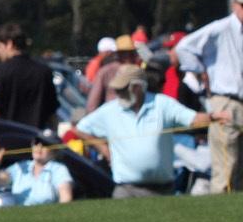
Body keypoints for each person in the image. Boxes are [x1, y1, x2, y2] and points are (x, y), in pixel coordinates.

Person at [68, 68, 213, 197]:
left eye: (122, 89)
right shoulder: (110, 109)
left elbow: (193, 119)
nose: (117, 93)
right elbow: (80, 128)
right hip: (126, 190)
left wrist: (214, 117)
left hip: (162, 190)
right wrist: (104, 149)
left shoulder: (162, 103)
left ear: (136, 87)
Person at [174, 0, 243, 193]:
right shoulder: (220, 28)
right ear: (234, 4)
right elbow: (184, 47)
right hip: (227, 101)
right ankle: (222, 210)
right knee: (226, 165)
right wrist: (202, 70)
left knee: (239, 167)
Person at [0, 23, 58, 132]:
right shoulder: (44, 71)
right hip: (37, 140)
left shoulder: (0, 72)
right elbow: (52, 114)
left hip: (9, 140)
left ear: (9, 43)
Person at [0, 138, 75, 205]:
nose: (39, 146)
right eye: (36, 142)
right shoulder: (21, 167)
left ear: (55, 153)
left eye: (45, 144)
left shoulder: (58, 169)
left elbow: (66, 199)